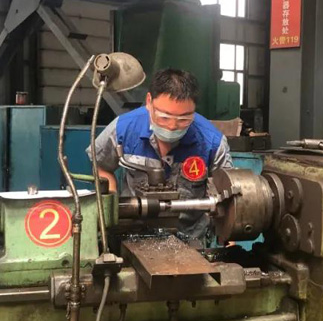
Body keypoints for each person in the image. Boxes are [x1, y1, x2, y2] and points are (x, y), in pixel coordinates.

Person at [88, 68, 233, 241]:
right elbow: (101, 166)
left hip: (190, 239)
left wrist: (230, 239)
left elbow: (229, 197)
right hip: (133, 235)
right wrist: (112, 205)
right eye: (164, 117)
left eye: (183, 119)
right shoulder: (123, 129)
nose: (172, 126)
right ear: (149, 101)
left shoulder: (212, 142)